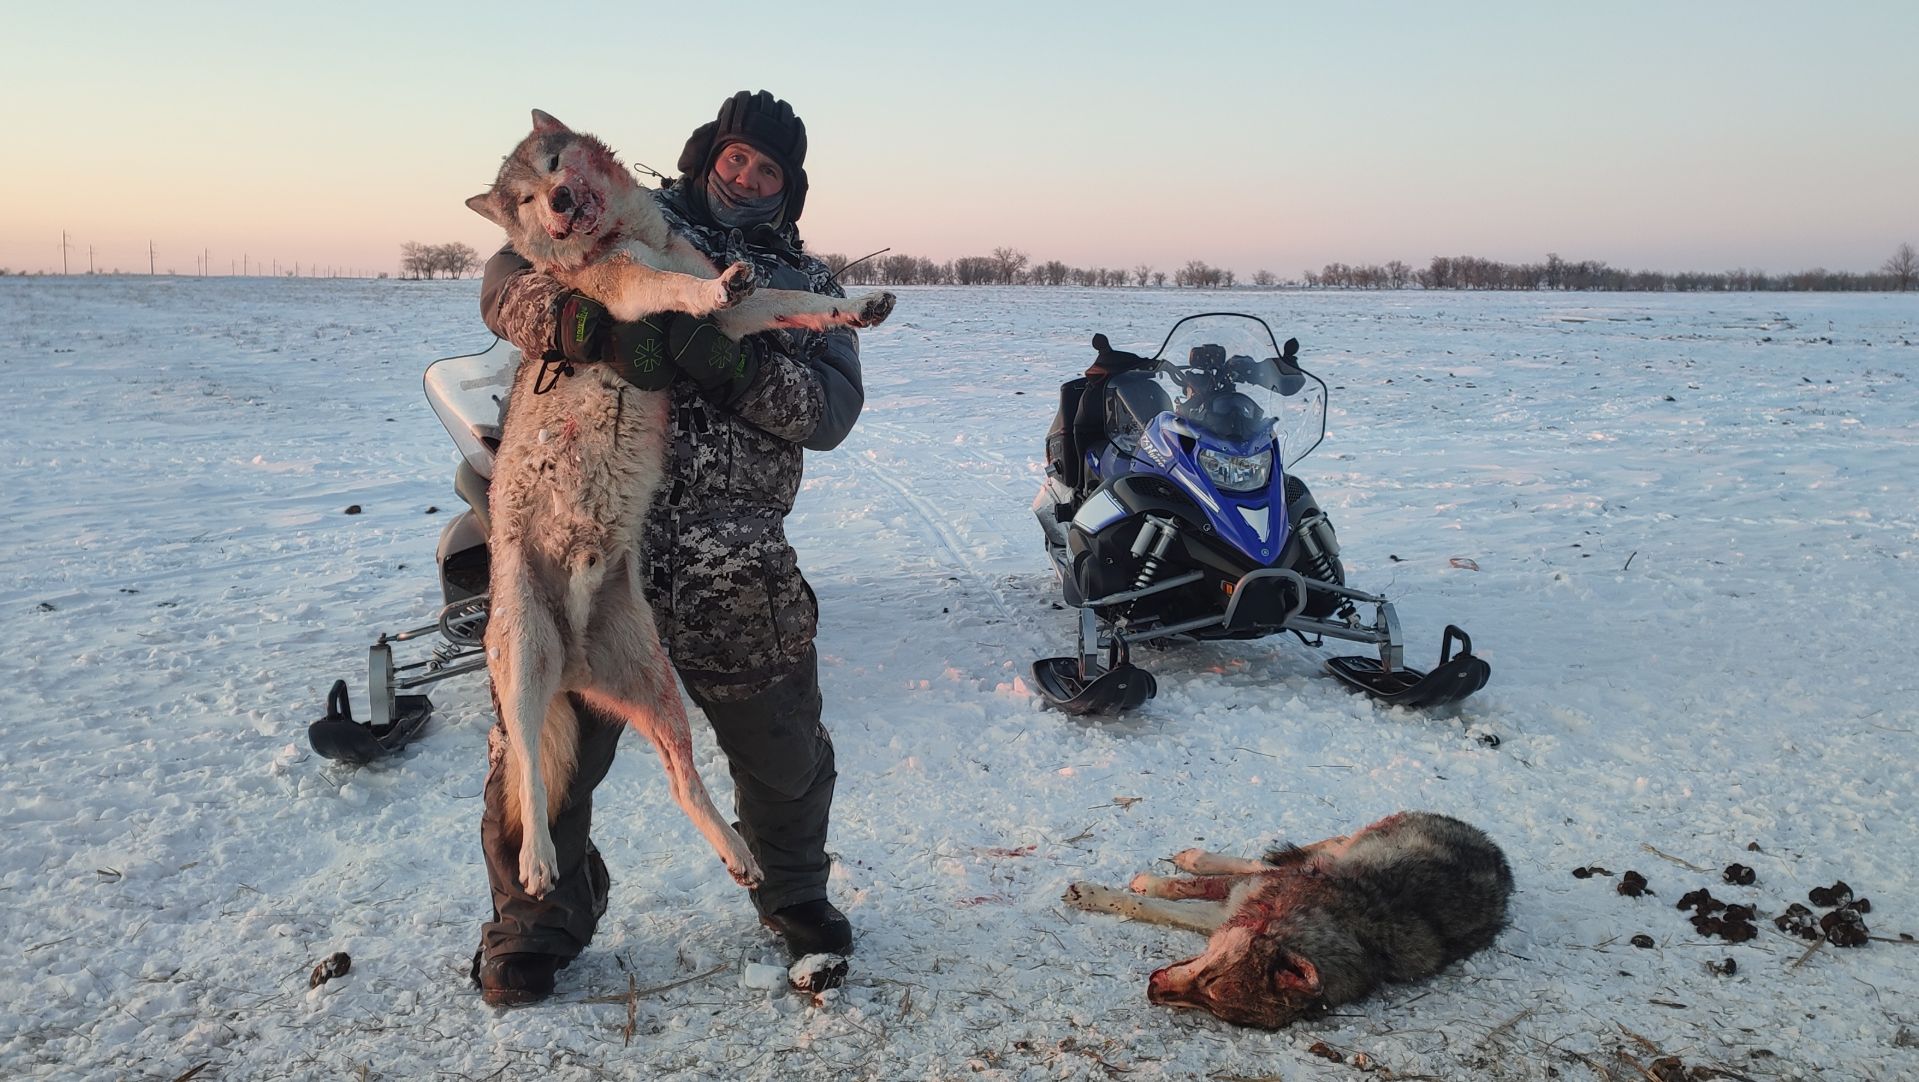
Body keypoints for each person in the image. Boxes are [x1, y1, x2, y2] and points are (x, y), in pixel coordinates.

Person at [469, 90, 862, 1006]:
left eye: (769, 168)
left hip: (729, 556)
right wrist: (577, 325)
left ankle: (795, 897)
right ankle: (536, 923)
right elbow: (502, 278)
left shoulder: (808, 282)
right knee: (544, 733)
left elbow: (831, 413)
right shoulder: (620, 212)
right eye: (736, 157)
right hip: (583, 527)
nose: (748, 176)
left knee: (780, 748)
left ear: (788, 186)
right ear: (707, 156)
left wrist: (731, 367)